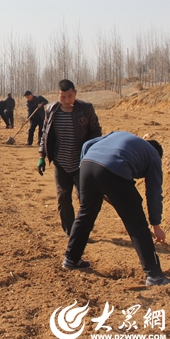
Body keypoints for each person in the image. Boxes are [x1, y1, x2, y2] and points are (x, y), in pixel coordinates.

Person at [62, 131, 170, 287]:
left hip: (87, 165)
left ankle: (71, 259)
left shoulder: (123, 136)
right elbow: (154, 193)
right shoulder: (153, 156)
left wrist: (85, 171)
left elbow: (87, 144)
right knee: (137, 223)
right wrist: (156, 225)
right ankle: (155, 276)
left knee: (85, 214)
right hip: (113, 169)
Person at [36, 79, 102, 237]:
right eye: (63, 97)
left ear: (75, 94)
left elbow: (96, 132)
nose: (66, 100)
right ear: (57, 95)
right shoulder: (51, 110)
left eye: (70, 96)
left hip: (82, 163)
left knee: (85, 199)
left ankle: (82, 230)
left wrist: (91, 153)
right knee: (63, 199)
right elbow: (45, 133)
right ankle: (71, 232)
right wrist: (41, 155)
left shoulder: (86, 109)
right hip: (60, 162)